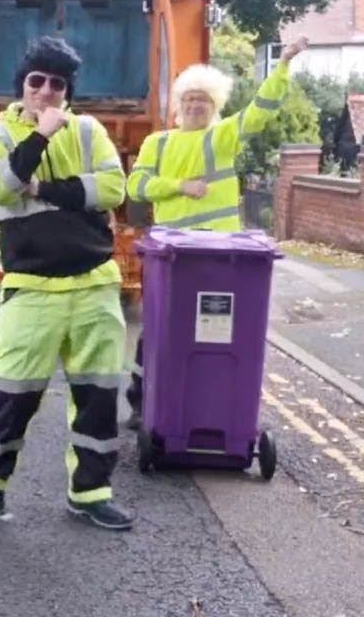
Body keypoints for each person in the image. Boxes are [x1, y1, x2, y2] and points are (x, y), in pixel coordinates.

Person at [0, 36, 133, 532]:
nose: (46, 91)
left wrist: (44, 187)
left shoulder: (90, 130)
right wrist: (41, 140)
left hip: (94, 286)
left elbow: (114, 189)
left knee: (97, 401)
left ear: (68, 91)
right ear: (22, 86)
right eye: (37, 81)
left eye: (57, 84)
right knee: (10, 399)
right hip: (30, 290)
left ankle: (91, 493)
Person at [122, 36, 310, 430]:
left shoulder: (222, 136)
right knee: (158, 327)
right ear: (177, 105)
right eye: (189, 99)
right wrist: (179, 186)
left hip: (219, 252)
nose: (195, 106)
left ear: (215, 106)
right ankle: (142, 402)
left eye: (203, 100)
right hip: (171, 254)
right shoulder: (158, 142)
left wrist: (283, 65)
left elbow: (260, 112)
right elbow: (136, 186)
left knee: (215, 327)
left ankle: (208, 400)